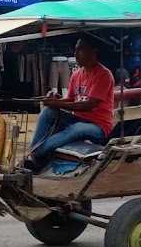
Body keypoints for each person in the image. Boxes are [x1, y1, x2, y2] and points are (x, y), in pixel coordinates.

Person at [26, 34, 115, 170]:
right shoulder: (77, 74)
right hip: (78, 119)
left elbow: (88, 105)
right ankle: (36, 151)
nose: (76, 54)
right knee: (48, 112)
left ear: (93, 51)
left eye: (80, 50)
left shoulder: (104, 74)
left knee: (76, 129)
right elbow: (71, 99)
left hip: (99, 127)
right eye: (75, 50)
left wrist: (57, 103)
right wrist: (55, 100)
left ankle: (35, 153)